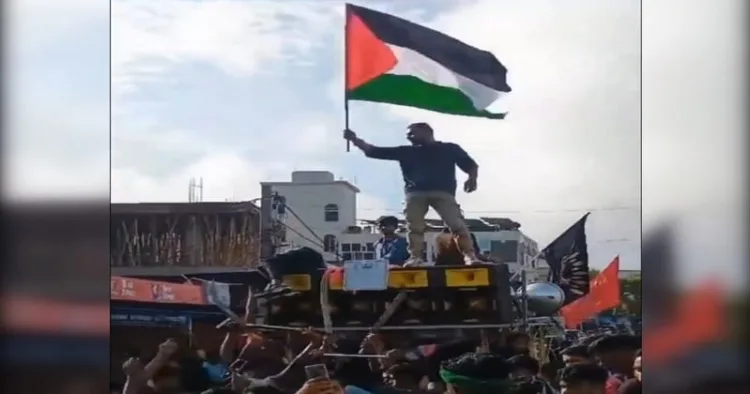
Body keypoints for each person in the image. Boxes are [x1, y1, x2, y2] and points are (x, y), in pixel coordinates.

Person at [344, 123, 481, 266]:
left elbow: (470, 164)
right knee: (414, 227)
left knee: (456, 225)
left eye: (412, 133)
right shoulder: (406, 151)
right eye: (408, 134)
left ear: (427, 132)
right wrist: (354, 140)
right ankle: (415, 257)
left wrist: (472, 178)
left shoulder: (449, 148)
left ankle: (469, 256)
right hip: (415, 193)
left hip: (443, 192)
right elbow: (373, 151)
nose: (409, 137)